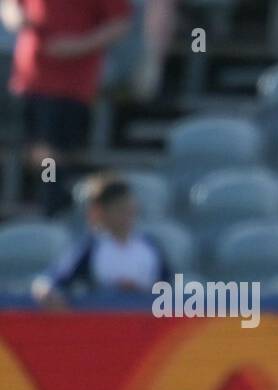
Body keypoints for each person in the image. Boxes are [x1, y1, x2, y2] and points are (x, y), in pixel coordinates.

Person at [1, 0, 133, 216]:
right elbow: (10, 5)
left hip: (70, 84)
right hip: (27, 78)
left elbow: (119, 24)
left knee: (49, 149)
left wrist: (78, 44)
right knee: (35, 149)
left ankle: (54, 199)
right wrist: (14, 17)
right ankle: (51, 195)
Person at [32, 174, 170, 309]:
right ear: (102, 212)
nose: (126, 215)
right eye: (119, 209)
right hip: (103, 321)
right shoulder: (92, 247)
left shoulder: (150, 246)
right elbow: (52, 279)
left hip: (145, 323)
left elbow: (168, 287)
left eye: (128, 208)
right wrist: (44, 290)